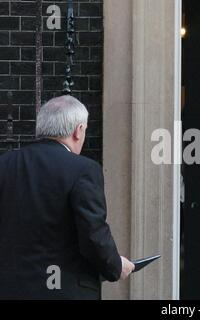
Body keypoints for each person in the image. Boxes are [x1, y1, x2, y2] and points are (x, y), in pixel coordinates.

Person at [0, 95, 135, 299]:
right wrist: (115, 265)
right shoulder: (84, 169)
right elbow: (93, 234)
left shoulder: (5, 164)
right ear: (78, 130)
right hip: (64, 289)